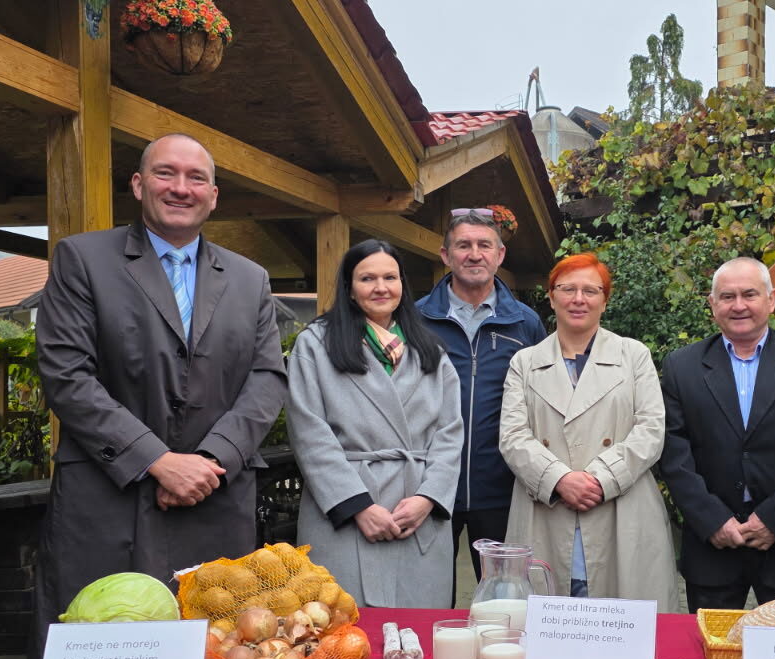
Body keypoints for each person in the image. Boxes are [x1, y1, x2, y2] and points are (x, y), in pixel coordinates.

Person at [33, 133, 286, 659]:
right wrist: (157, 460)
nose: (181, 188)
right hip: (110, 493)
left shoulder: (249, 279)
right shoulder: (83, 260)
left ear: (213, 195)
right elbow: (66, 374)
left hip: (214, 495)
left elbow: (267, 379)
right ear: (138, 184)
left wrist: (210, 460)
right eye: (165, 173)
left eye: (197, 178)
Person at [660, 257, 775, 611]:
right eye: (727, 297)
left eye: (749, 294)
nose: (739, 305)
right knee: (709, 645)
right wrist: (712, 520)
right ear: (712, 304)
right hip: (713, 546)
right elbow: (673, 454)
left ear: (771, 300)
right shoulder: (682, 367)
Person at [287, 240, 463, 607]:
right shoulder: (315, 345)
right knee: (344, 627)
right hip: (344, 512)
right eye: (367, 278)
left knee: (419, 630)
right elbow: (309, 432)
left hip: (416, 514)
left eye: (390, 277)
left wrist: (427, 499)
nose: (381, 287)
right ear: (349, 287)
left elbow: (450, 434)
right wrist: (358, 506)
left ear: (402, 285)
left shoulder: (430, 351)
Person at [499, 254, 678, 611]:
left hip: (621, 510)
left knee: (621, 628)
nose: (578, 299)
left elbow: (651, 429)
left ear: (604, 300)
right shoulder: (525, 362)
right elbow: (513, 436)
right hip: (546, 512)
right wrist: (560, 479)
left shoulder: (634, 356)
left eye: (590, 291)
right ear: (551, 297)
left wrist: (600, 479)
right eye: (567, 289)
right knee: (544, 628)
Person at [415, 210, 545, 588]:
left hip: (501, 488)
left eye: (484, 245)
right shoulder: (414, 319)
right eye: (464, 245)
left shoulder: (525, 323)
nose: (475, 254)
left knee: (504, 596)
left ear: (500, 255)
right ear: (446, 255)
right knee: (429, 595)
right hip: (430, 488)